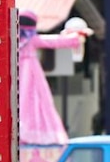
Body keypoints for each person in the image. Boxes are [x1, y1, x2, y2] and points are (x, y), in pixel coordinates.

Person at [17, 10, 93, 147]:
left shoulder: (12, 41)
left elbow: (54, 41)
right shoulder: (31, 41)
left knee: (22, 103)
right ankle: (30, 134)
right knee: (36, 102)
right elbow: (54, 42)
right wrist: (75, 37)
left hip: (14, 74)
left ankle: (21, 133)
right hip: (30, 74)